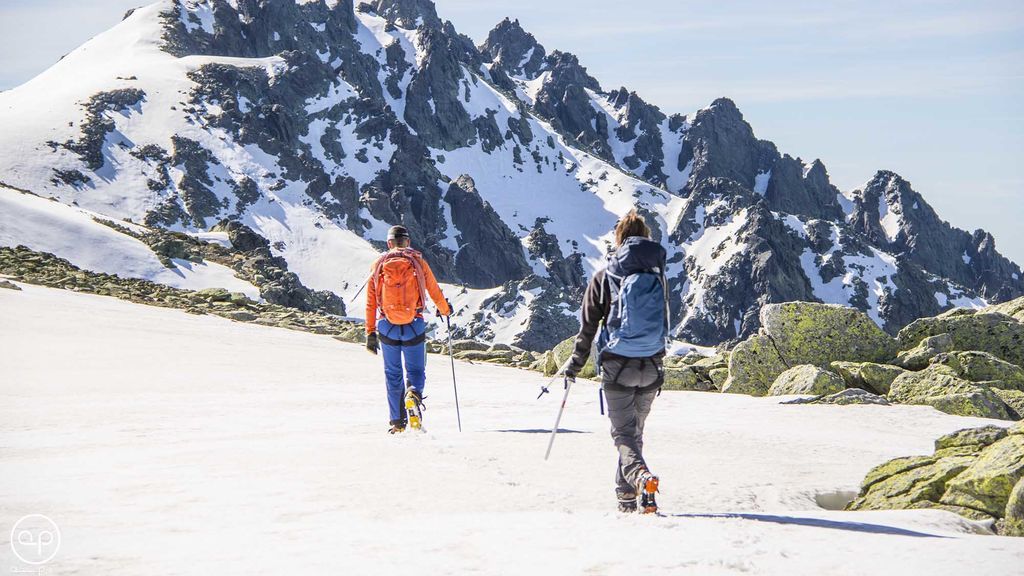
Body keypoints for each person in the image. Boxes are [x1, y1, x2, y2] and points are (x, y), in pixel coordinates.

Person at [565, 210, 669, 513]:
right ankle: (626, 499)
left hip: (617, 366)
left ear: (619, 240)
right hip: (651, 367)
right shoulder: (658, 277)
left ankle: (641, 478)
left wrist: (574, 365)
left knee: (624, 435)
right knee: (633, 435)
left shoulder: (603, 277)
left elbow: (588, 328)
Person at [365, 225, 452, 434]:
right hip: (414, 324)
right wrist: (445, 310)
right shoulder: (418, 262)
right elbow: (434, 290)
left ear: (389, 243)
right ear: (408, 242)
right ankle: (413, 395)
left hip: (387, 326)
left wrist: (370, 333)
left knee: (392, 373)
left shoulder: (378, 265)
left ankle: (397, 422)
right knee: (415, 370)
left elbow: (370, 302)